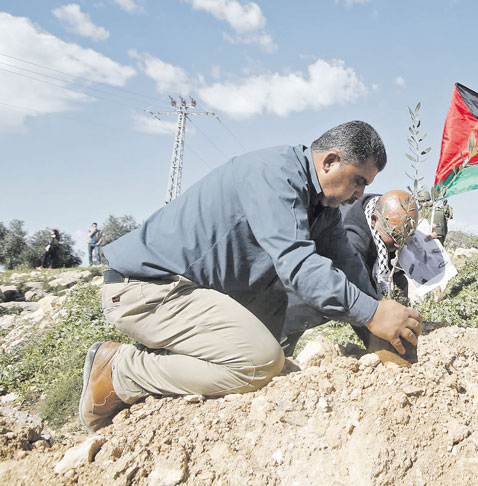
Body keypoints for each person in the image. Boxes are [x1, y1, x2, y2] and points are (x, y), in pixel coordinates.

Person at [78, 121, 423, 433]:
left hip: (194, 290)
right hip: (148, 287)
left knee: (275, 310)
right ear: (330, 161)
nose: (361, 193)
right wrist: (373, 313)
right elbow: (299, 265)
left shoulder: (322, 206)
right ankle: (121, 371)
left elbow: (345, 262)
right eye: (358, 180)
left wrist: (375, 327)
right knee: (260, 362)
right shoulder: (275, 176)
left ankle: (185, 362)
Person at [342, 190, 418, 299]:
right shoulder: (353, 240)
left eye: (408, 235)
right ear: (374, 220)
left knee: (400, 284)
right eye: (395, 237)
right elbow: (356, 293)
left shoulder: (392, 216)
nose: (400, 245)